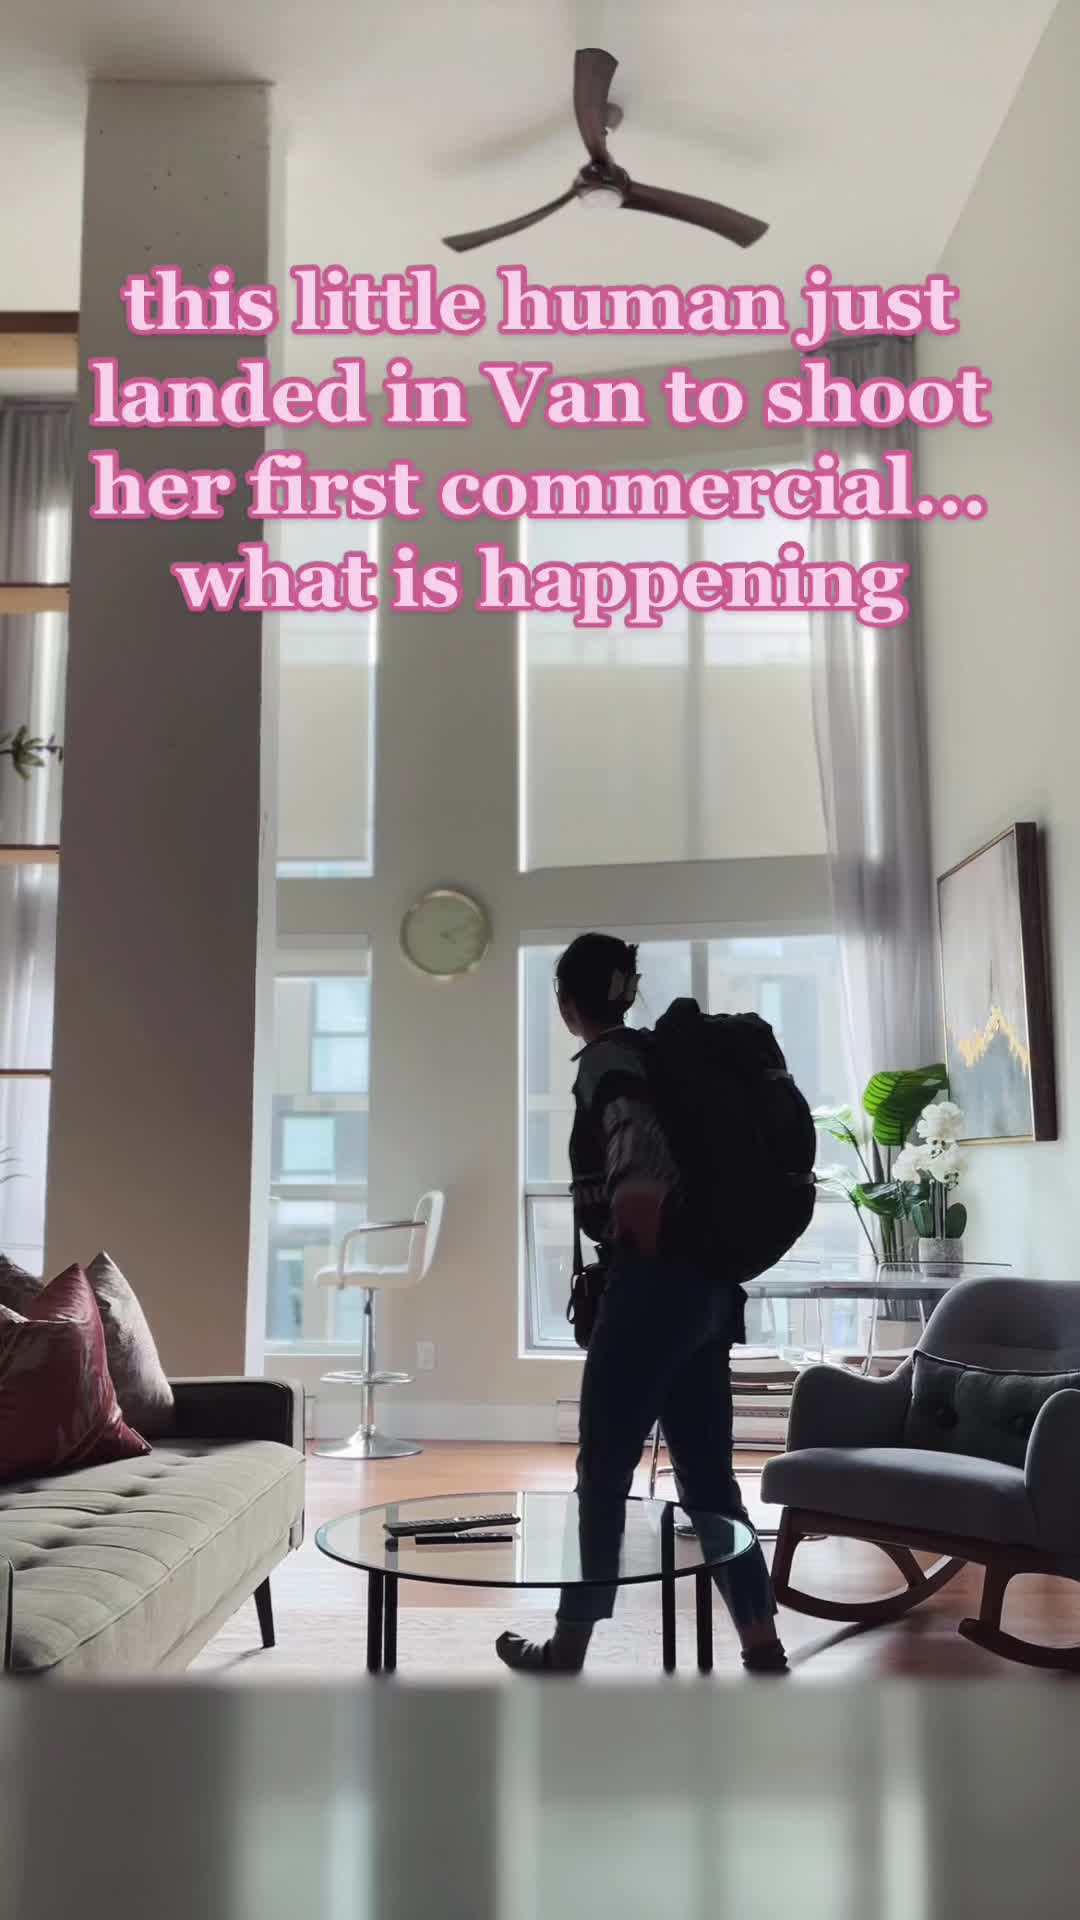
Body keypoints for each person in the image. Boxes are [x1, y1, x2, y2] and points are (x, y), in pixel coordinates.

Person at [497, 932, 788, 1677]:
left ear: (567, 1001)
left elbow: (634, 1142)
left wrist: (640, 1233)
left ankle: (567, 1647)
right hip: (710, 1292)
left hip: (656, 1287)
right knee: (709, 1479)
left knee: (604, 1471)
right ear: (627, 991)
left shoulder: (609, 1061)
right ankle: (761, 1642)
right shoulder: (666, 1058)